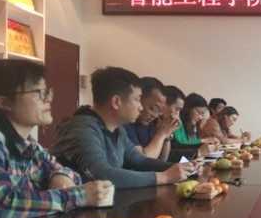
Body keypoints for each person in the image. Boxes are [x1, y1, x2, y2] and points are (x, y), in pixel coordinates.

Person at [0, 60, 112, 218]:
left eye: (47, 91)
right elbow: (0, 204)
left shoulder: (31, 146)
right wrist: (79, 196)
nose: (49, 99)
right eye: (39, 92)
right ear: (4, 103)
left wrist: (59, 175)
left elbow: (71, 175)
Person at [50, 67, 195, 189]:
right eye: (137, 100)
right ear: (116, 102)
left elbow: (141, 162)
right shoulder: (82, 128)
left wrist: (183, 167)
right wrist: (164, 177)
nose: (140, 107)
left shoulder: (118, 130)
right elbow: (101, 175)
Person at [124, 77, 181, 160]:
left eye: (159, 111)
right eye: (153, 108)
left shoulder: (149, 125)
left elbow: (162, 160)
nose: (155, 115)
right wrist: (162, 134)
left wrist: (167, 134)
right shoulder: (126, 125)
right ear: (139, 100)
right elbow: (142, 160)